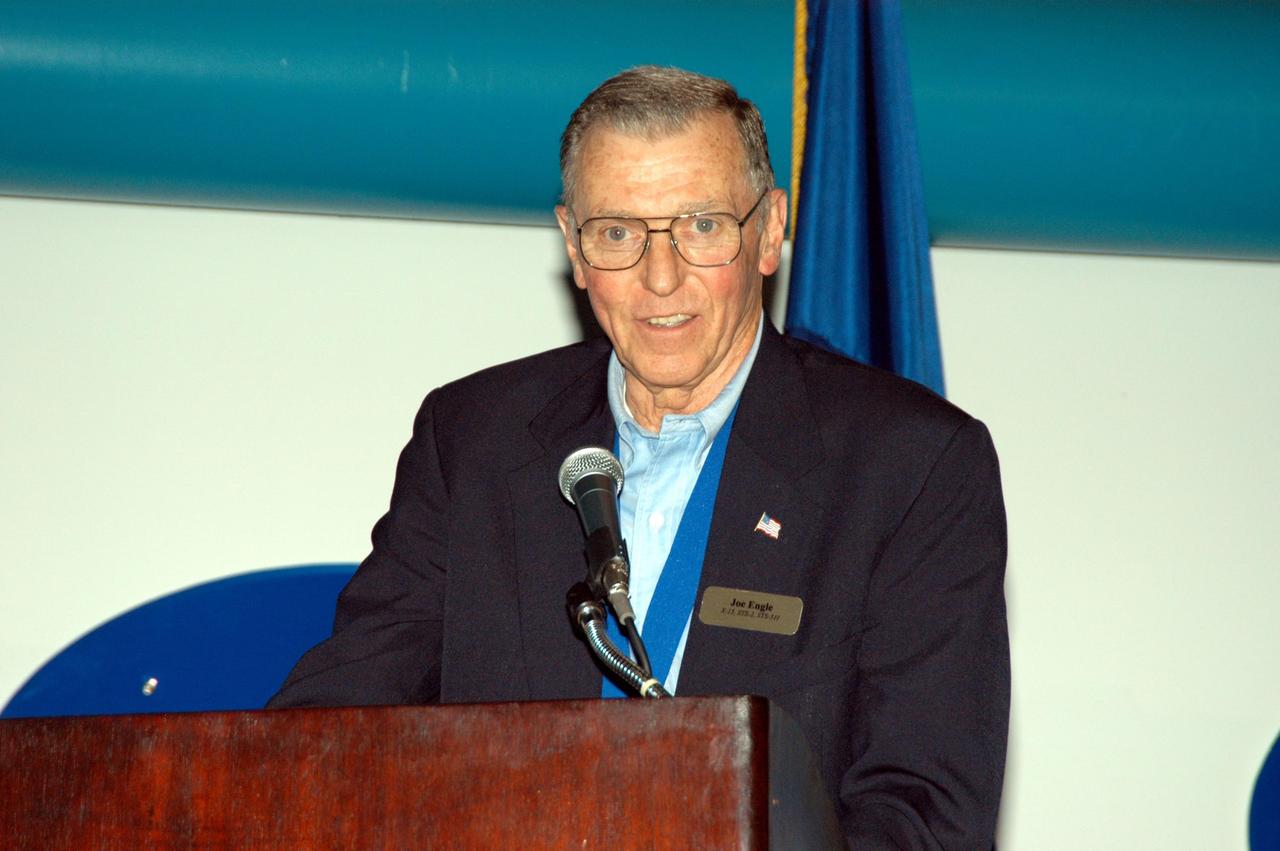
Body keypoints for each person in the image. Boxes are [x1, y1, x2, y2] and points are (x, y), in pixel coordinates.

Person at [270, 65, 1009, 848]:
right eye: (619, 232)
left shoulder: (912, 467)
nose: (661, 278)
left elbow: (922, 815)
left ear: (769, 231)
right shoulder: (473, 442)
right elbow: (326, 734)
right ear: (574, 246)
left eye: (702, 225)